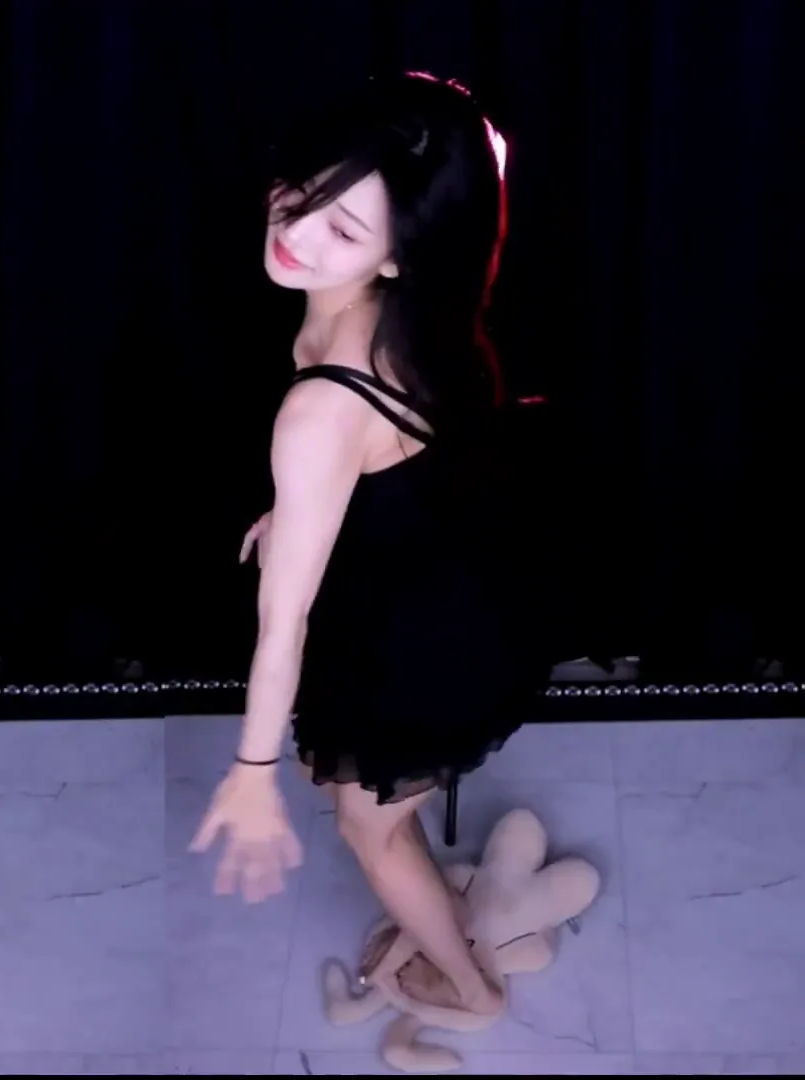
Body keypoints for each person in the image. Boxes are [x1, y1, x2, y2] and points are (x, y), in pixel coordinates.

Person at [190, 72, 532, 1018]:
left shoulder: (322, 407)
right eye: (302, 193)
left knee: (365, 826)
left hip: (426, 643)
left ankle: (469, 989)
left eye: (341, 231)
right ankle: (439, 917)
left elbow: (282, 622)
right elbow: (395, 457)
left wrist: (252, 775)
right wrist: (297, 510)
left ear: (396, 259)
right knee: (380, 806)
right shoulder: (400, 323)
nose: (295, 233)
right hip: (443, 588)